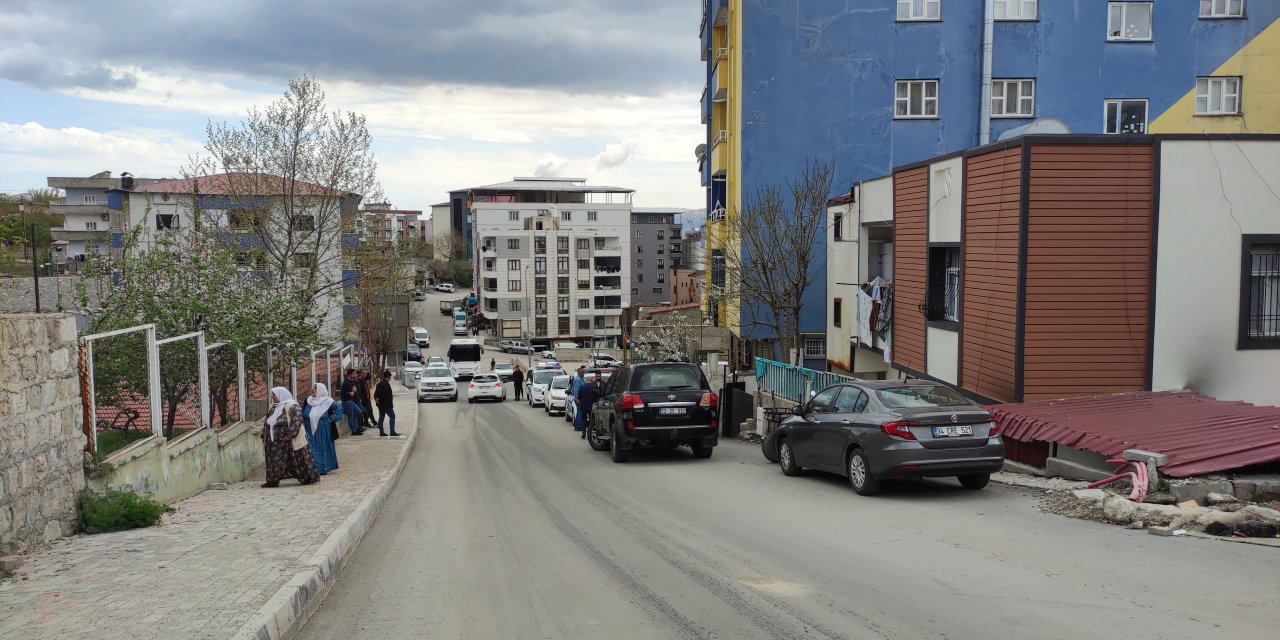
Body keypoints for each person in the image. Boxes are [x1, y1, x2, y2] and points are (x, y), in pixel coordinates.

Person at [262, 387, 320, 487]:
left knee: (298, 459)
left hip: (289, 440)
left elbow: (296, 422)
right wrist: (264, 435)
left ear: (281, 395)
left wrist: (288, 436)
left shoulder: (292, 406)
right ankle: (272, 481)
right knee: (274, 461)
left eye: (274, 395)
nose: (272, 397)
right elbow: (268, 422)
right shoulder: (274, 407)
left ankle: (308, 478)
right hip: (274, 442)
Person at [302, 383, 342, 475]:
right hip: (308, 428)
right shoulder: (308, 401)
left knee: (322, 448)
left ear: (321, 390)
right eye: (313, 387)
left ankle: (322, 468)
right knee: (310, 448)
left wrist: (331, 419)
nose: (312, 389)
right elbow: (302, 412)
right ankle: (311, 468)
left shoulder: (328, 401)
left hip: (323, 429)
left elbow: (339, 408)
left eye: (315, 388)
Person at [374, 369, 400, 437]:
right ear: (389, 377)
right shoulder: (386, 384)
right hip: (386, 404)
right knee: (392, 416)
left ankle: (381, 432)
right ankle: (392, 432)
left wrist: (377, 399)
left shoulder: (379, 384)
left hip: (380, 404)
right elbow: (384, 394)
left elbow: (375, 394)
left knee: (381, 418)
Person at [340, 368, 365, 435]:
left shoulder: (351, 381)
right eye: (354, 374)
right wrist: (353, 390)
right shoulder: (346, 383)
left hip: (351, 401)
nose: (355, 375)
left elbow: (353, 392)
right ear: (349, 374)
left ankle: (356, 428)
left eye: (355, 373)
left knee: (358, 412)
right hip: (347, 402)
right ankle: (354, 431)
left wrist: (353, 391)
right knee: (351, 416)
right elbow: (352, 394)